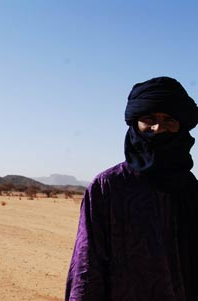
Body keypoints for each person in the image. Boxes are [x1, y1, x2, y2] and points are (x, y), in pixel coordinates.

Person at [65, 76, 198, 300]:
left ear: (180, 127)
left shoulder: (191, 189)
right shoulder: (108, 186)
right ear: (136, 123)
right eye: (150, 119)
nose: (158, 128)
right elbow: (87, 265)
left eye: (169, 120)